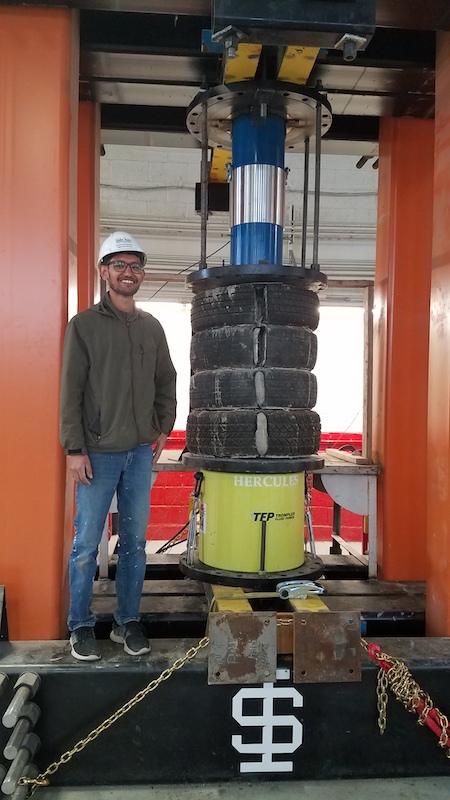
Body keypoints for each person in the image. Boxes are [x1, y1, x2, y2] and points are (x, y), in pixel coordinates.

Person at [60, 231, 177, 661]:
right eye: (119, 265)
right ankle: (81, 624)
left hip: (139, 455)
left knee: (133, 542)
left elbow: (167, 381)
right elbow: (70, 392)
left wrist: (162, 427)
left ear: (141, 274)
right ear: (104, 271)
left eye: (135, 266)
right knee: (87, 543)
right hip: (97, 454)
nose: (128, 273)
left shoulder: (152, 327)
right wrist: (75, 448)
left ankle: (127, 621)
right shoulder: (84, 326)